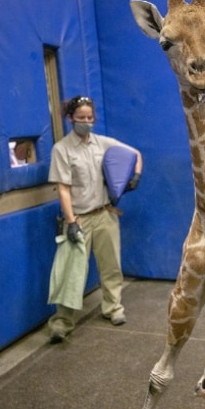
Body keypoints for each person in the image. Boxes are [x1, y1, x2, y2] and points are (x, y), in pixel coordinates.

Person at [47, 95, 142, 342]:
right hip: (79, 218)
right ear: (70, 118)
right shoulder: (62, 149)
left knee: (111, 266)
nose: (87, 122)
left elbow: (135, 153)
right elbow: (63, 188)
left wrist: (135, 176)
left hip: (105, 214)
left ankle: (113, 308)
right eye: (81, 117)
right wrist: (70, 221)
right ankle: (62, 322)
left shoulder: (103, 143)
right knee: (70, 272)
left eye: (90, 117)